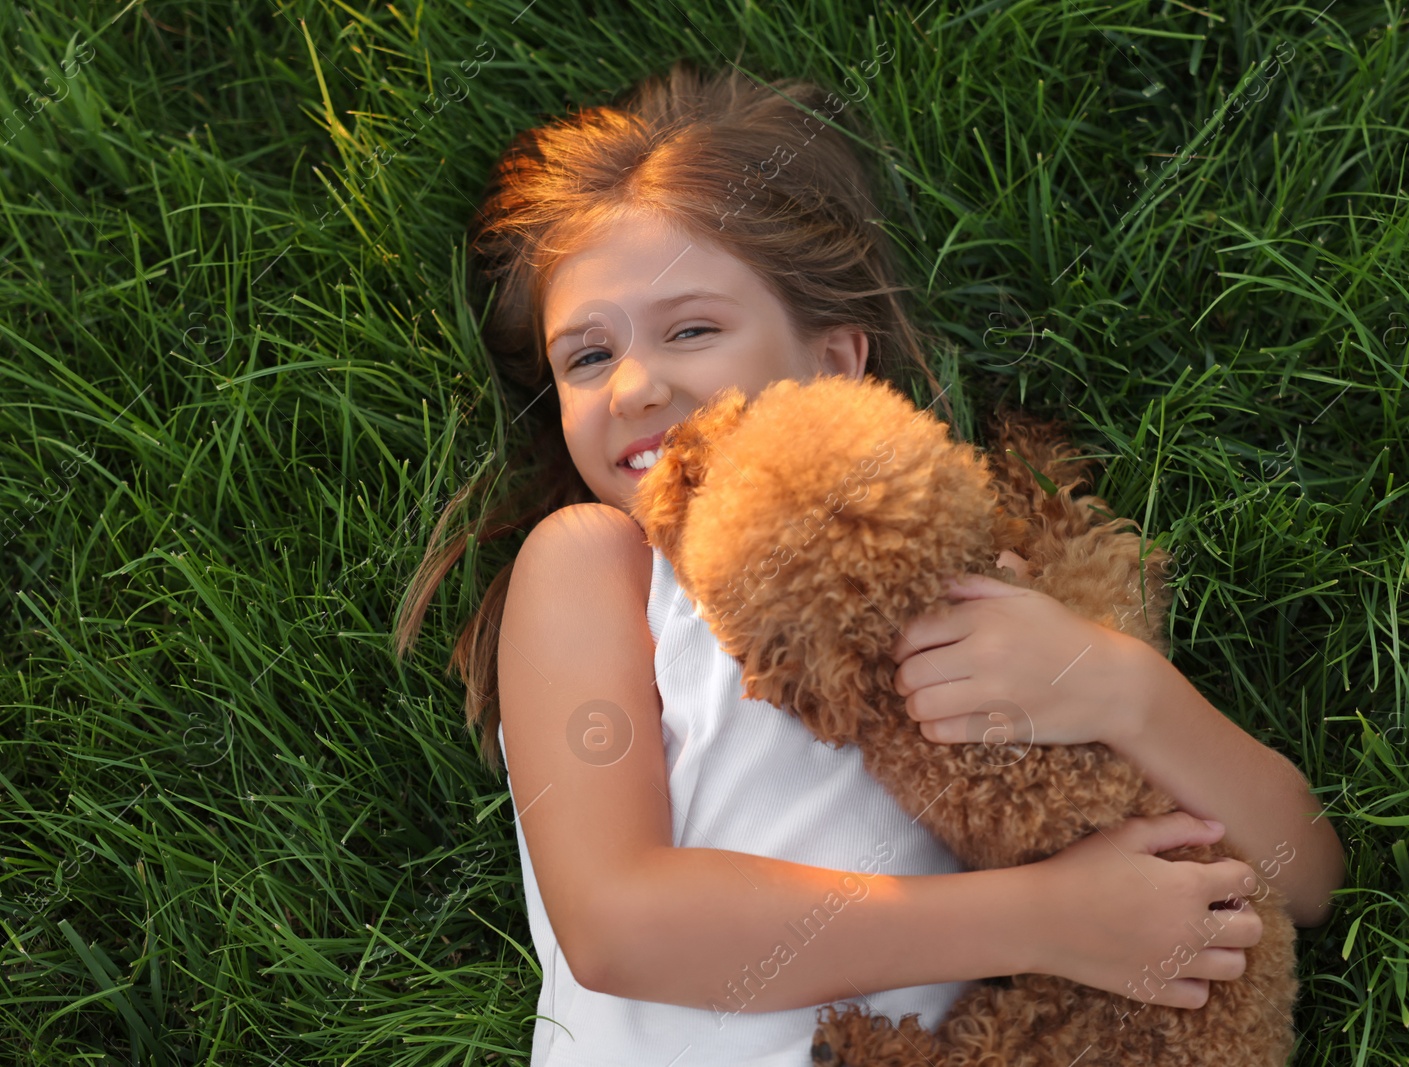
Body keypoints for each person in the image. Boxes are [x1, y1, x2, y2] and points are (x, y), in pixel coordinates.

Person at [393, 59, 1344, 1067]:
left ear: (834, 359)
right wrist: (1041, 915)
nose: (632, 383)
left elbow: (1307, 873)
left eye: (691, 329)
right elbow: (616, 923)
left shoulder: (969, 580)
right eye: (585, 355)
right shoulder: (599, 563)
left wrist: (1121, 688)